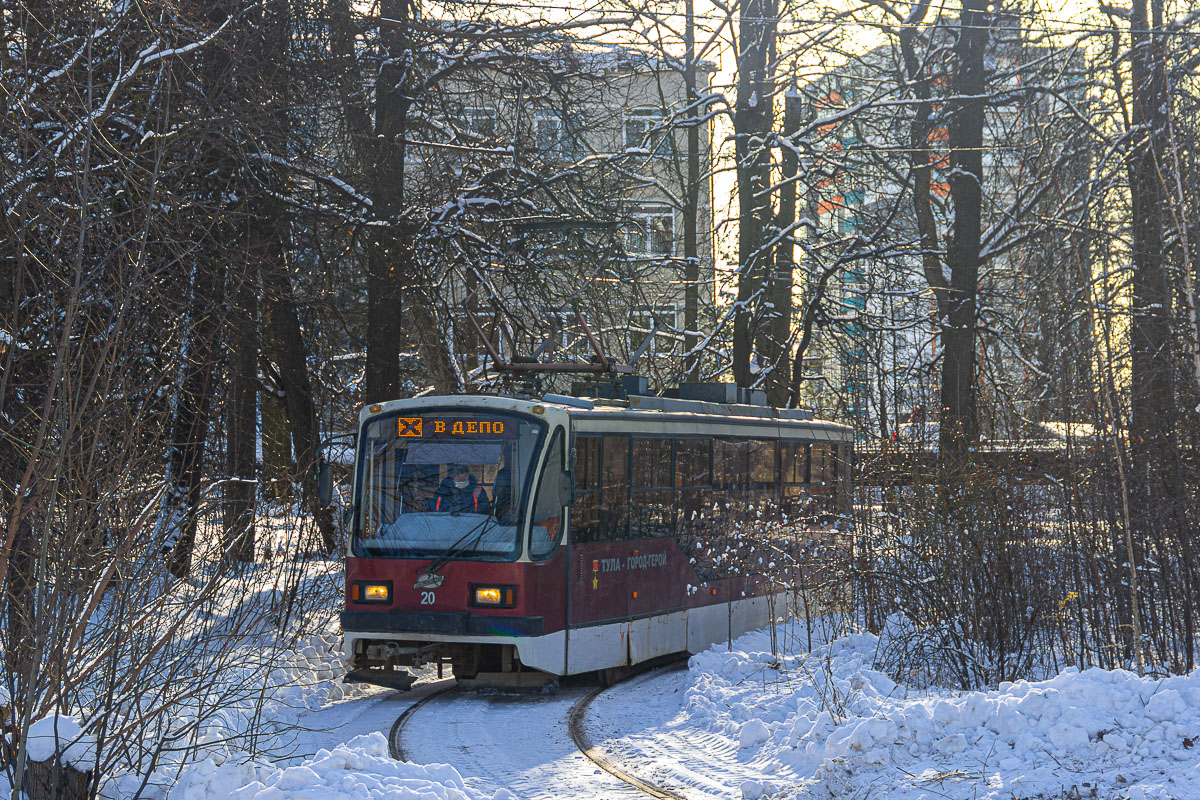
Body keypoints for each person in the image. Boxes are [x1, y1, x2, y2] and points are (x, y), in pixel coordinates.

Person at [492, 447, 513, 524]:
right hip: (502, 510)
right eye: (506, 457)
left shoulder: (506, 473)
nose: (508, 460)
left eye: (510, 458)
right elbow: (496, 493)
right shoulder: (502, 473)